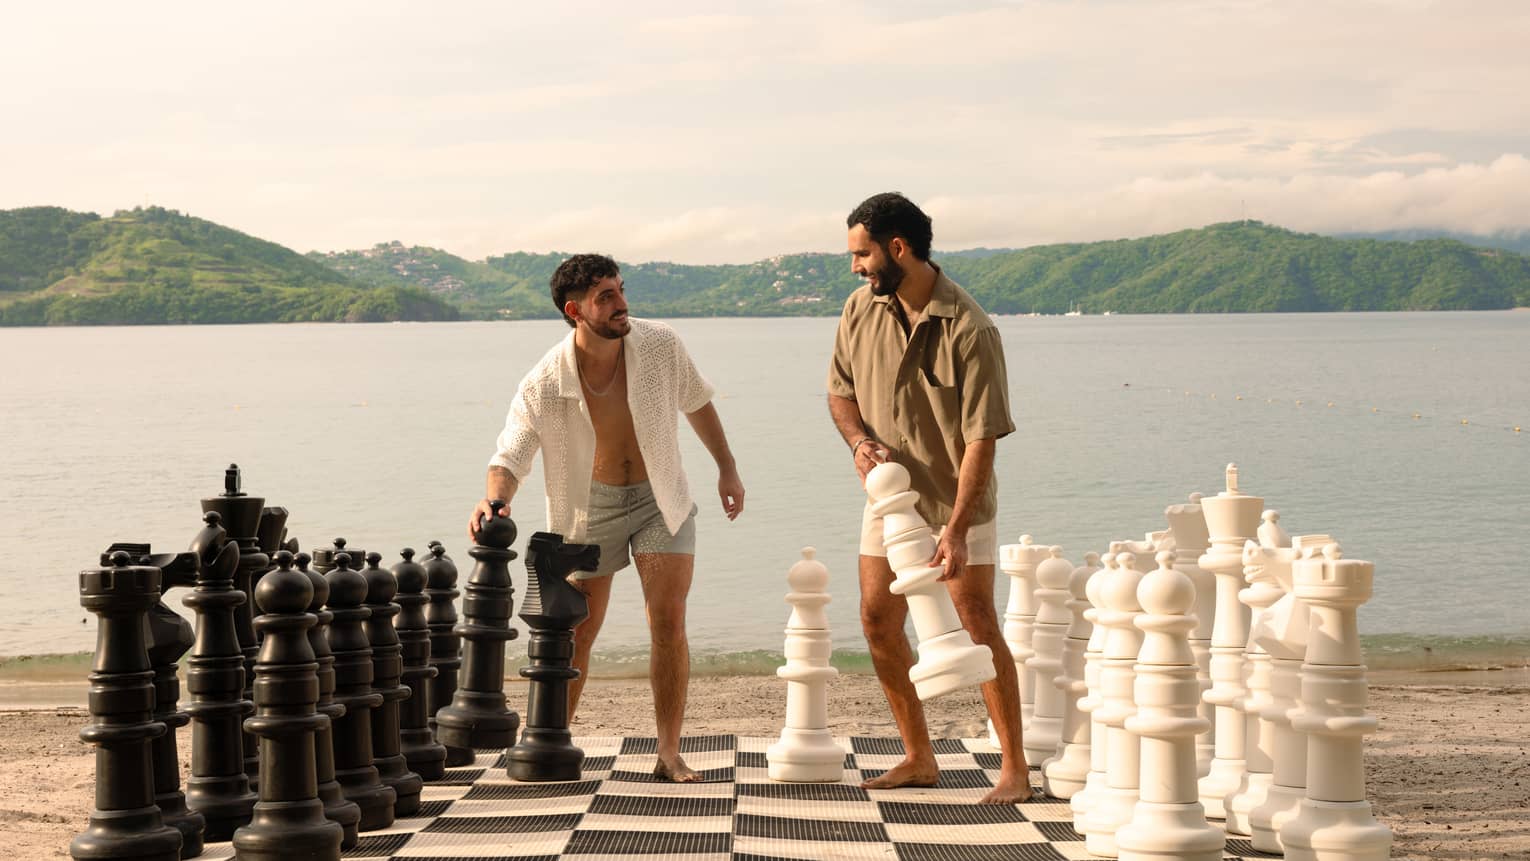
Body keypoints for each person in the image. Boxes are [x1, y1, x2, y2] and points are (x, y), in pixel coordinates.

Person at [470, 253, 745, 782]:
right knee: (578, 630)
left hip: (659, 497)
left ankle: (669, 752)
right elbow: (511, 453)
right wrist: (495, 500)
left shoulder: (660, 343)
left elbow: (698, 402)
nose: (622, 304)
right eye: (606, 297)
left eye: (620, 290)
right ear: (575, 310)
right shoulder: (544, 381)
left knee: (668, 620)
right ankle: (550, 741)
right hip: (587, 505)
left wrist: (727, 469)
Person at [826, 192, 1030, 804]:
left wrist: (960, 527)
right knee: (876, 618)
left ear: (897, 247)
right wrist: (859, 441)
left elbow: (981, 438)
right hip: (887, 501)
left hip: (955, 503)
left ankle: (1015, 770)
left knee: (975, 624)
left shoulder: (971, 327)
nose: (855, 267)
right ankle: (919, 757)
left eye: (861, 254)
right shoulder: (858, 309)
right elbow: (839, 395)